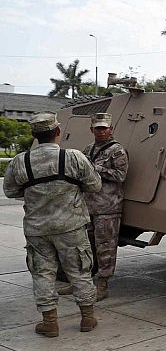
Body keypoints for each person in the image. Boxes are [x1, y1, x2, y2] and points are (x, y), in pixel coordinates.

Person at [3, 111, 102, 337]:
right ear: (58, 131)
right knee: (79, 271)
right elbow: (95, 185)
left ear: (34, 135)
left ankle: (50, 322)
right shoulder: (74, 157)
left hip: (37, 229)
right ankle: (87, 318)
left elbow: (10, 191)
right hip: (71, 226)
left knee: (43, 274)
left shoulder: (21, 161)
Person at [57, 113, 128, 301]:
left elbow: (120, 175)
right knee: (84, 247)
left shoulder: (117, 151)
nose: (101, 131)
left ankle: (102, 285)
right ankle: (81, 282)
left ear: (111, 129)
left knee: (105, 248)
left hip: (107, 207)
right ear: (92, 130)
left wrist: (96, 168)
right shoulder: (89, 149)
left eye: (104, 128)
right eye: (98, 128)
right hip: (88, 206)